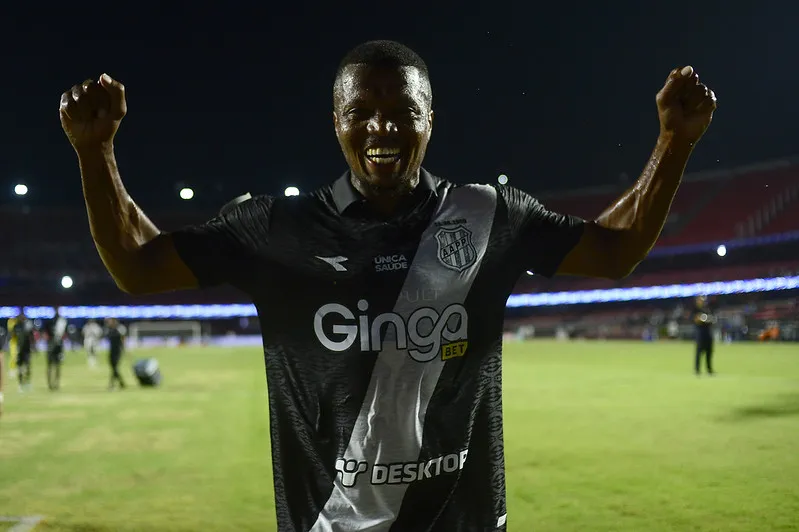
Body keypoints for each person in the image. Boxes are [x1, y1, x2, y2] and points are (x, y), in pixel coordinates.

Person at [60, 40, 717, 532]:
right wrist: (96, 153)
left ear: (430, 118)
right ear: (336, 121)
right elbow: (137, 266)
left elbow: (614, 252)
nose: (381, 127)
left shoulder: (488, 216)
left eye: (401, 110)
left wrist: (673, 143)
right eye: (361, 111)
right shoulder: (275, 229)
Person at [43, 310, 68, 390]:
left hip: (58, 347)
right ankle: (50, 383)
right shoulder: (50, 322)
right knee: (51, 366)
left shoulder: (62, 322)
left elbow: (64, 334)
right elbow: (45, 334)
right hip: (51, 346)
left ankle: (56, 383)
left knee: (57, 366)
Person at [693, 295, 716, 375]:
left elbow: (712, 319)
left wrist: (706, 319)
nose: (701, 302)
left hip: (708, 333)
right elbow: (697, 320)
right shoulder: (696, 309)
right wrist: (705, 320)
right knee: (699, 352)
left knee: (709, 352)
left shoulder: (706, 310)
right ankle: (697, 369)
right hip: (700, 333)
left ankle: (709, 369)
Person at [11, 314, 35, 392]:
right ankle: (20, 384)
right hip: (20, 350)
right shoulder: (16, 326)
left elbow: (32, 337)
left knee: (27, 367)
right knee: (20, 368)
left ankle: (27, 383)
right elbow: (13, 336)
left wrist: (34, 347)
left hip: (26, 350)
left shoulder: (27, 326)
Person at [104, 318, 127, 390]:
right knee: (114, 368)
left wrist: (124, 349)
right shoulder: (109, 330)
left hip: (117, 351)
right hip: (112, 351)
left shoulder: (119, 329)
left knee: (114, 368)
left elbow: (123, 339)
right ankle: (121, 383)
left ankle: (112, 384)